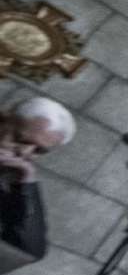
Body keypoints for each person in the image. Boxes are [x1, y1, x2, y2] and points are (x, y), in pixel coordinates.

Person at [0, 96, 74, 262]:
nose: (24, 153)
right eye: (19, 139)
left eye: (39, 151)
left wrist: (26, 183)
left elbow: (26, 251)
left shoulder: (9, 189)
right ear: (3, 120)